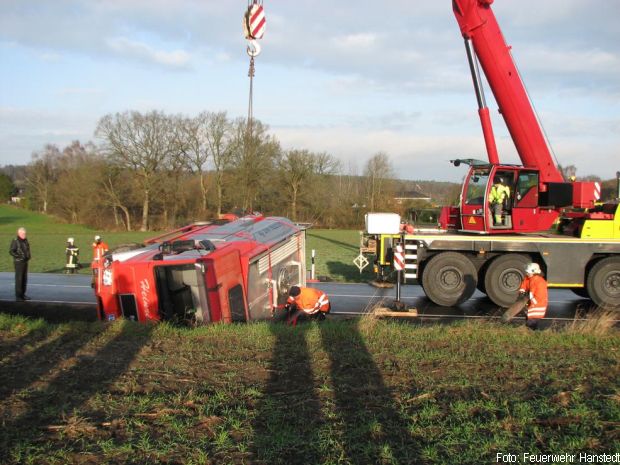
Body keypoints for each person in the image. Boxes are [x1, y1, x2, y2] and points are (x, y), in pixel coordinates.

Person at [518, 262, 548, 330]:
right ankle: (532, 333)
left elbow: (537, 295)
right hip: (533, 303)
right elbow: (524, 284)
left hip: (538, 304)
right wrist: (522, 291)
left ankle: (533, 333)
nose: (527, 273)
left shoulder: (538, 281)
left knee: (531, 322)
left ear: (534, 272)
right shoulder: (529, 278)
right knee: (529, 318)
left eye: (528, 272)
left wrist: (532, 302)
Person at [9, 227, 31, 301]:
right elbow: (11, 251)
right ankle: (18, 296)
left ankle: (23, 294)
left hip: (25, 261)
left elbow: (27, 249)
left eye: (25, 233)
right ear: (19, 233)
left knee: (24, 279)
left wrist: (28, 256)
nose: (24, 234)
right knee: (19, 279)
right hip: (19, 262)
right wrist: (19, 256)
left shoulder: (25, 240)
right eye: (23, 233)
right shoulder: (15, 241)